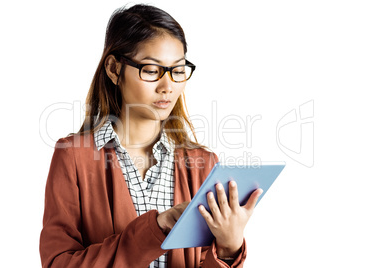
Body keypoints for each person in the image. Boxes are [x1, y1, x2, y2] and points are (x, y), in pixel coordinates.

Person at [39, 4, 263, 268]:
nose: (167, 87)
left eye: (178, 70)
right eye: (151, 70)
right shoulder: (74, 156)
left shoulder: (203, 162)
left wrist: (228, 247)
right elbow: (59, 263)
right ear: (113, 69)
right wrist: (157, 226)